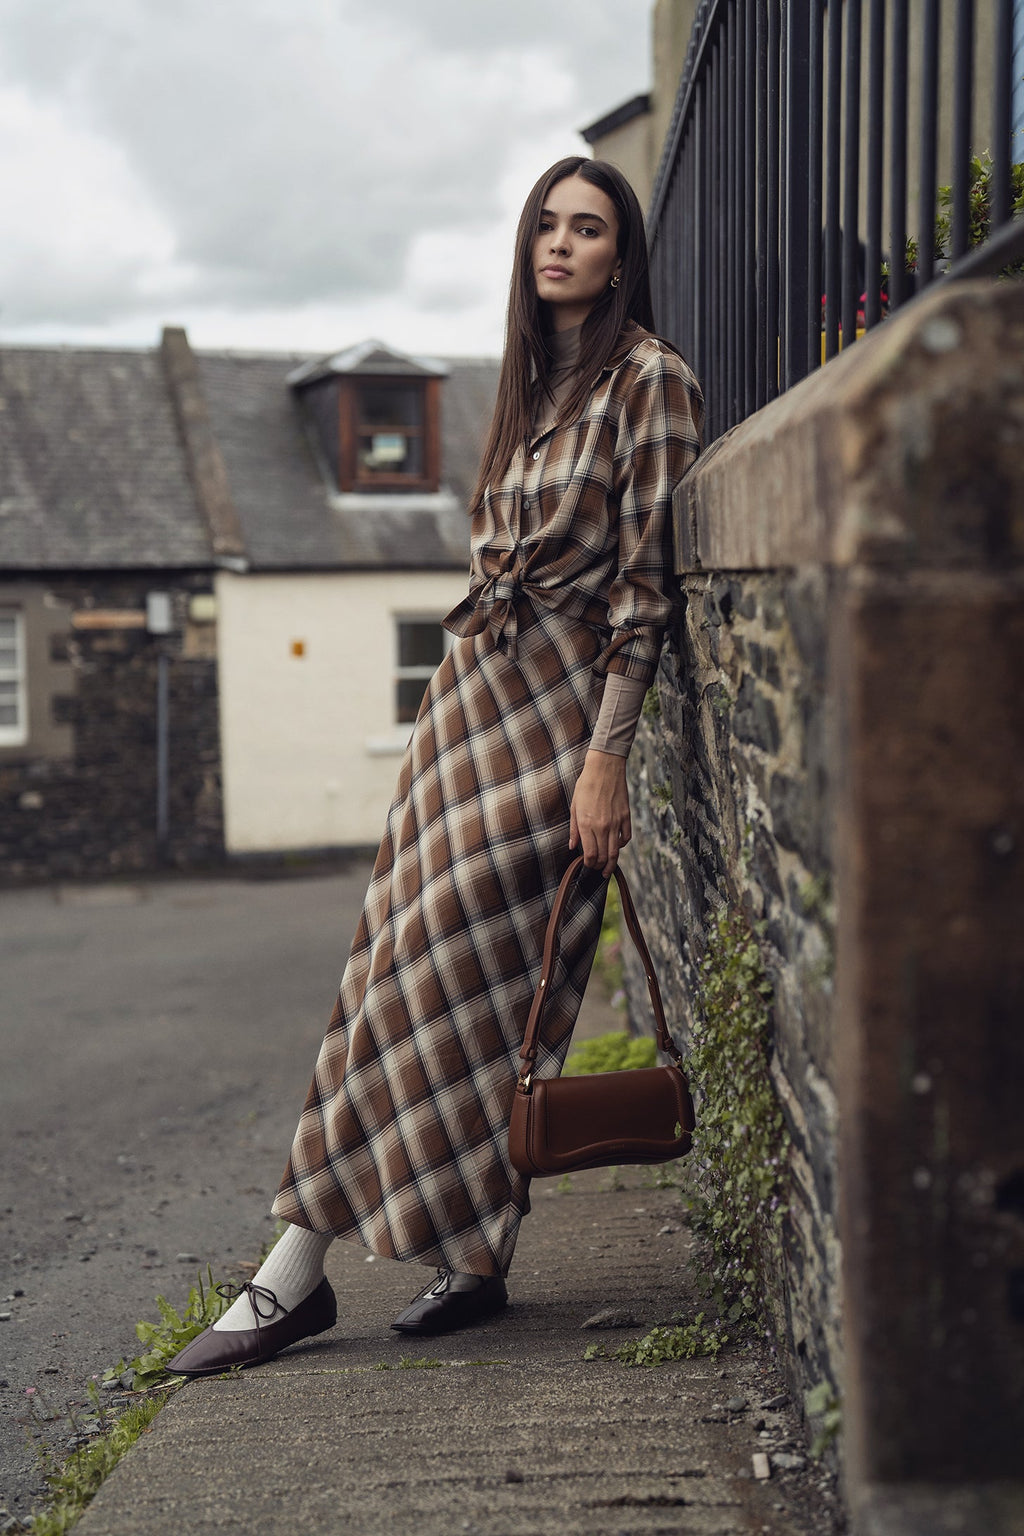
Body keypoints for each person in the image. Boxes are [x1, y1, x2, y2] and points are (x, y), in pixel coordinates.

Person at [169, 156, 704, 1376]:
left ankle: (289, 1277)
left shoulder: (650, 381)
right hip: (463, 720)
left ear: (621, 257)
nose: (560, 245)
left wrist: (606, 762)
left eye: (588, 229)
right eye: (546, 227)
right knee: (398, 982)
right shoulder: (526, 388)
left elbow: (642, 594)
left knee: (446, 978)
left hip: (557, 726)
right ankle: (474, 1258)